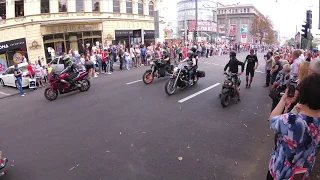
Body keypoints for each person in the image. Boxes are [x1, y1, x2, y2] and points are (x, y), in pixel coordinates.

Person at [267, 74, 320, 180]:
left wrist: (283, 99)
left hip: (280, 173)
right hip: (303, 173)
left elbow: (272, 120)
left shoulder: (291, 120)